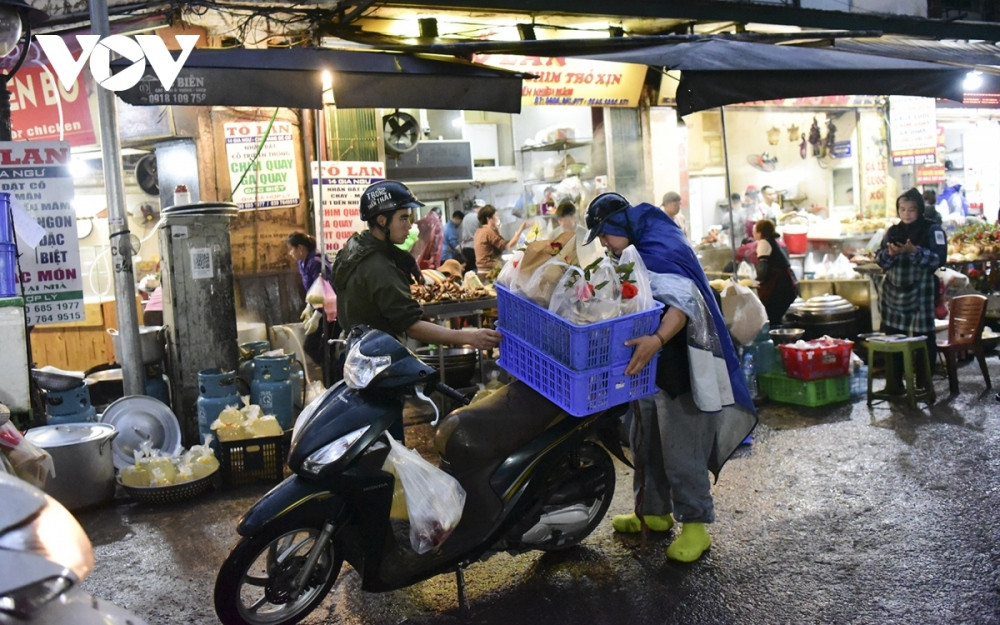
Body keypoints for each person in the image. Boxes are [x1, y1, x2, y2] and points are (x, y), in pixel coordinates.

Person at [583, 192, 757, 563]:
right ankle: (654, 513)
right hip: (648, 364)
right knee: (644, 441)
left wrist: (657, 339)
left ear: (619, 226)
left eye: (604, 234)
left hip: (681, 364)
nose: (603, 243)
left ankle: (696, 526)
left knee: (682, 449)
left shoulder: (661, 243)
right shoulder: (627, 251)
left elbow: (683, 303)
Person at [330, 181, 501, 437]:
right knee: (388, 441)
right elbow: (411, 325)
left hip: (354, 358)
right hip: (376, 368)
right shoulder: (379, 268)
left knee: (368, 438)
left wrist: (403, 258)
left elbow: (373, 252)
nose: (410, 225)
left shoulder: (354, 248)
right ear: (381, 220)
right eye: (403, 218)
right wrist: (469, 337)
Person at [875, 188, 947, 391]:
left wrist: (914, 251)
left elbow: (938, 260)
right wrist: (889, 254)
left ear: (920, 210)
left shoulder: (933, 230)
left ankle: (923, 384)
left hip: (921, 292)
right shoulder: (892, 231)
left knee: (923, 338)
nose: (906, 213)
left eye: (911, 209)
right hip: (893, 293)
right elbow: (880, 260)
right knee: (893, 338)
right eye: (902, 209)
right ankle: (894, 384)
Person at [286, 231, 326, 367]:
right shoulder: (302, 262)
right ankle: (329, 375)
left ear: (300, 248)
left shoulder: (316, 262)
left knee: (315, 347)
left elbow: (325, 288)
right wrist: (309, 305)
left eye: (291, 249)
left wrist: (317, 314)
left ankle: (334, 378)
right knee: (317, 348)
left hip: (329, 309)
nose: (290, 253)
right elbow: (313, 289)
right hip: (318, 307)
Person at [752, 219, 798, 328]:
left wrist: (758, 280)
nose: (753, 233)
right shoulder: (774, 241)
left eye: (755, 231)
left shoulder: (763, 242)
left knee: (771, 315)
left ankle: (776, 340)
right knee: (775, 316)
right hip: (787, 283)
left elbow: (763, 267)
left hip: (778, 285)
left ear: (760, 232)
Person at [473, 204, 527, 278]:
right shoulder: (488, 231)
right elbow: (508, 246)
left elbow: (497, 244)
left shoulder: (479, 231)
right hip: (489, 272)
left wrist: (497, 230)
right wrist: (521, 229)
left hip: (480, 271)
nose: (498, 218)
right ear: (489, 218)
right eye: (496, 216)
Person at [460, 201, 482, 271]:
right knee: (476, 271)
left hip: (465, 248)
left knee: (467, 271)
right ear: (481, 208)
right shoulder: (479, 217)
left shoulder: (466, 217)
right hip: (475, 248)